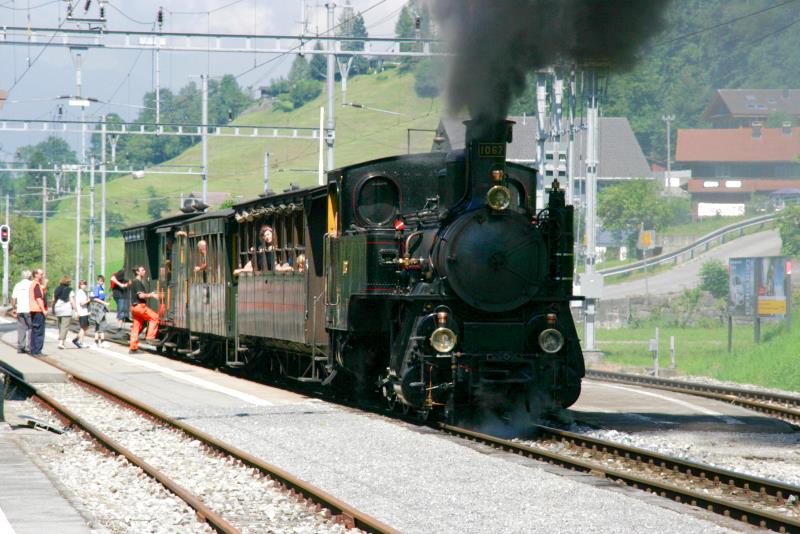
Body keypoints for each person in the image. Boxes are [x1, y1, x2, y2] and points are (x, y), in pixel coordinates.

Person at [129, 265, 160, 353]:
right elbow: (141, 295)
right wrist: (152, 295)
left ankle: (133, 348)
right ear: (137, 272)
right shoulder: (138, 282)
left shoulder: (134, 282)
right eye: (142, 270)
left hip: (134, 307)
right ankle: (150, 337)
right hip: (140, 307)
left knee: (136, 327)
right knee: (154, 317)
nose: (144, 271)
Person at [11, 270, 32, 353]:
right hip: (29, 309)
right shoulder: (31, 284)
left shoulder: (17, 285)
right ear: (30, 276)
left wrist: (14, 308)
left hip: (20, 310)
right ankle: (30, 346)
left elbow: (14, 299)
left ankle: (21, 347)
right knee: (31, 328)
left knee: (21, 328)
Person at [28, 268, 48, 357]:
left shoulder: (35, 284)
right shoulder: (36, 285)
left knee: (35, 330)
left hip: (34, 310)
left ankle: (33, 350)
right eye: (41, 274)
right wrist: (43, 310)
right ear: (36, 275)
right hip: (38, 310)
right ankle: (37, 351)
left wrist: (45, 285)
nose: (42, 276)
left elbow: (41, 290)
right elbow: (39, 298)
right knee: (39, 331)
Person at [52, 276, 75, 350]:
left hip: (58, 308)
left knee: (60, 326)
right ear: (68, 282)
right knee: (65, 327)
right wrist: (76, 309)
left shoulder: (56, 289)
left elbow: (53, 299)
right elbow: (72, 301)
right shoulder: (70, 290)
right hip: (66, 309)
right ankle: (61, 343)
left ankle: (61, 341)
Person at [90, 275, 110, 347]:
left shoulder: (101, 288)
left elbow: (102, 298)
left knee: (100, 324)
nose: (102, 282)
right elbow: (95, 298)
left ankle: (97, 342)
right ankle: (101, 342)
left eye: (103, 281)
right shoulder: (97, 288)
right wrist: (105, 303)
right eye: (100, 281)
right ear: (98, 281)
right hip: (98, 308)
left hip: (102, 308)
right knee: (102, 324)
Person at [73, 280, 90, 347]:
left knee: (85, 327)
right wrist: (88, 300)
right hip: (82, 312)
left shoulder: (84, 292)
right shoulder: (80, 293)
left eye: (85, 284)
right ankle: (78, 340)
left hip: (84, 312)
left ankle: (79, 340)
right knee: (83, 327)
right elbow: (81, 303)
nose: (84, 286)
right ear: (80, 285)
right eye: (82, 284)